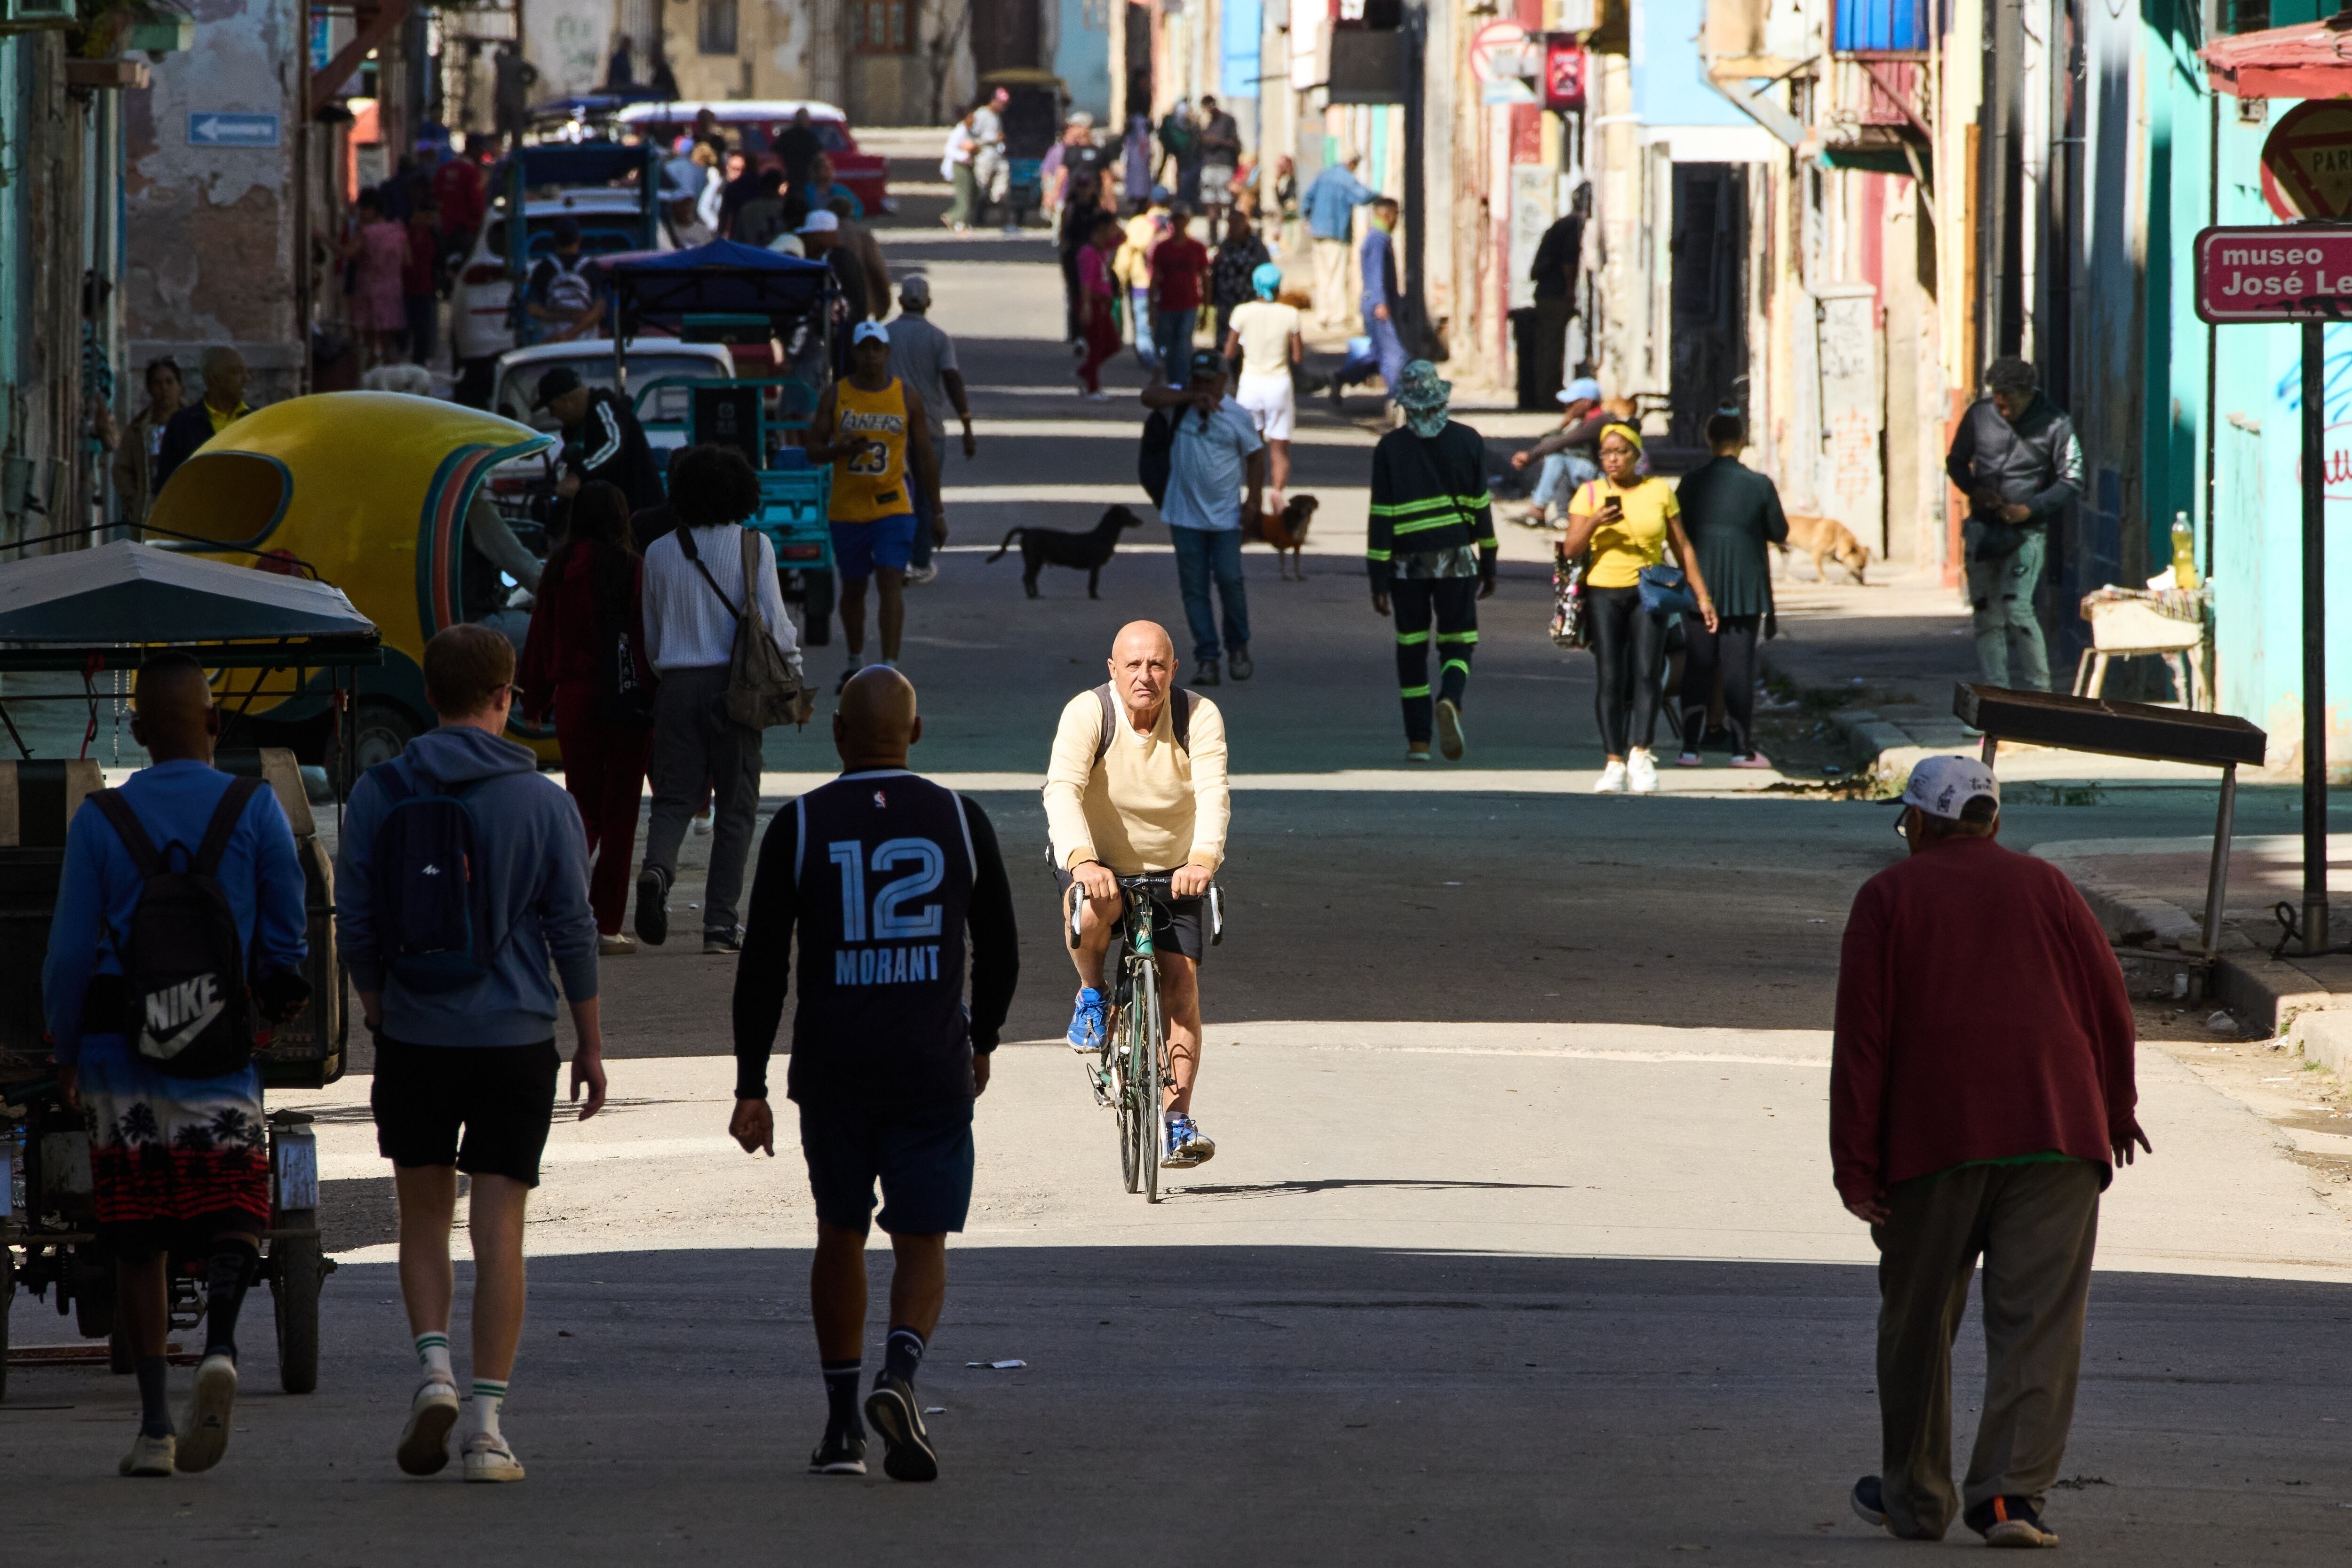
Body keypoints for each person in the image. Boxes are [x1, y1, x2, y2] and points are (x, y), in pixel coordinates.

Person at [1834, 756, 2148, 1549]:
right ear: (1993, 822)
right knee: (2038, 1324)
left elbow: (1863, 1042)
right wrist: (2116, 1106)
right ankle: (2010, 1497)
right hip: (2058, 1133)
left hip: (1934, 1142)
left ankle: (1916, 1498)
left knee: (1917, 1322)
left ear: (1917, 823)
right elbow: (2109, 999)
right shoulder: (2047, 886)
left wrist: (1856, 1163)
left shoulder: (1888, 897)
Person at [730, 666, 1018, 1481]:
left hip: (835, 1071)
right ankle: (900, 1373)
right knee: (921, 1237)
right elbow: (1001, 943)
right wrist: (984, 1035)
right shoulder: (960, 820)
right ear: (916, 734)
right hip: (931, 1066)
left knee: (841, 1232)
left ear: (839, 735)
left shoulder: (801, 824)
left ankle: (839, 1428)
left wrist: (751, 1084)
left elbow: (761, 968)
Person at [335, 624, 606, 1485]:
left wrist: (380, 1002)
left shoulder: (382, 790)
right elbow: (573, 928)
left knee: (421, 1217)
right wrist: (591, 1040)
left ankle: (433, 1369)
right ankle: (486, 1427)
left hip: (415, 1034)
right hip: (516, 1037)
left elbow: (359, 912)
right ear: (506, 696)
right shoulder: (542, 801)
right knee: (500, 1231)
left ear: (430, 695)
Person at [43, 652, 310, 1478]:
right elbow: (287, 941)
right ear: (214, 724)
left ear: (136, 732)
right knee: (232, 1203)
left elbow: (67, 955)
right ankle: (222, 1343)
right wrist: (266, 1009)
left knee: (137, 1235)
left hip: (121, 1055)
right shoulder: (256, 807)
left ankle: (156, 1425)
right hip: (220, 1045)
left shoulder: (98, 822)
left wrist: (65, 1052)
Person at [1045, 621, 1231, 1165]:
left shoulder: (1199, 716)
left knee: (1180, 987)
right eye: (1132, 666)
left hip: (1177, 869)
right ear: (1112, 671)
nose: (1144, 676)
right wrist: (1081, 859)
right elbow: (1061, 789)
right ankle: (1093, 995)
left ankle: (1176, 1121)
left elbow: (1214, 793)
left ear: (1173, 670)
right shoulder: (1088, 713)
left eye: (1156, 665)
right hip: (1098, 862)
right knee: (1095, 904)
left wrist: (1203, 860)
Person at [633, 446, 806, 954]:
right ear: (742, 493)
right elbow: (775, 626)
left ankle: (657, 871)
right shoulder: (756, 546)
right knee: (735, 809)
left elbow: (650, 635)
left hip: (677, 687)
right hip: (738, 691)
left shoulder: (660, 551)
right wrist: (793, 679)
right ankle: (718, 926)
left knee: (672, 800)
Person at [519, 482, 657, 954]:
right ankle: (603, 925)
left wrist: (533, 700)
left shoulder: (559, 568)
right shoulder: (632, 568)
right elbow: (643, 638)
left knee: (581, 805)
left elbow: (541, 634)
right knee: (620, 813)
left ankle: (555, 903)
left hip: (574, 699)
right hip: (626, 699)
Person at [1560, 422, 1717, 794]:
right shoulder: (1590, 493)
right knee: (1611, 677)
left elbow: (1683, 547)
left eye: (1621, 452)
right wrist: (1596, 521)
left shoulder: (1659, 491)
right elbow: (1569, 549)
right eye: (1606, 454)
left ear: (1637, 455)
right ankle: (1614, 761)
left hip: (1649, 592)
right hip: (1602, 592)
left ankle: (1641, 754)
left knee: (1648, 673)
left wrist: (1703, 596)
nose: (1613, 459)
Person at [1367, 362, 1496, 763]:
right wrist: (1489, 562)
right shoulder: (1469, 440)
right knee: (1459, 641)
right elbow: (1481, 508)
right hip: (1456, 559)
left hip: (1406, 566)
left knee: (1411, 648)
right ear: (1441, 398)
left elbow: (1382, 516)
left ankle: (1419, 741)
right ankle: (1452, 698)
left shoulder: (1390, 448)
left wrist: (1378, 577)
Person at [808, 323, 942, 685]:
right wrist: (841, 448)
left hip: (893, 506)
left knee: (890, 581)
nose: (871, 356)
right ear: (854, 352)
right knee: (853, 587)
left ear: (886, 353)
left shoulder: (905, 396)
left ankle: (889, 666)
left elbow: (924, 455)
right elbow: (813, 449)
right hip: (848, 509)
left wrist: (937, 510)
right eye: (864, 349)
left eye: (877, 349)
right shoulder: (837, 395)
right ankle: (855, 662)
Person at [1946, 356, 2083, 692]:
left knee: (2017, 609)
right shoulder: (1979, 416)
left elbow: (2073, 478)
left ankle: (2040, 694)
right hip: (1982, 527)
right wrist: (1976, 491)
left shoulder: (2056, 424)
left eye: (2009, 406)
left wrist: (2031, 508)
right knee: (1986, 614)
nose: (2003, 412)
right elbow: (1956, 461)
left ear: (2027, 394)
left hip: (2027, 533)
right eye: (1998, 404)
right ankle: (1997, 694)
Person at [1673, 413, 1788, 769]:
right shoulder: (1759, 484)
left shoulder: (1691, 482)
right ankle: (1741, 749)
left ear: (1709, 438)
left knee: (1698, 666)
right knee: (1738, 669)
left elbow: (1678, 529)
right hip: (1744, 588)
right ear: (1741, 440)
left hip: (1699, 586)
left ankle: (1690, 748)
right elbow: (1779, 531)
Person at [1142, 349, 1263, 686]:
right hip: (1184, 515)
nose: (1204, 386)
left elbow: (1255, 457)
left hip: (1225, 518)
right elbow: (1148, 396)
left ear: (1224, 381)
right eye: (1198, 379)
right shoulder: (1179, 406)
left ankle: (1238, 646)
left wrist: (1254, 500)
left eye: (1210, 381)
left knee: (1230, 579)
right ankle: (1207, 656)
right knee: (1194, 589)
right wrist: (1190, 396)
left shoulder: (1237, 415)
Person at [886, 275, 975, 581]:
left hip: (890, 427)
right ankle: (920, 561)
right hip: (931, 427)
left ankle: (895, 557)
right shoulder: (938, 338)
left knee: (893, 493)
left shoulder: (885, 336)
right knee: (925, 495)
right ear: (929, 303)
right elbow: (952, 379)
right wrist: (966, 422)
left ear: (900, 302)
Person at [1221, 262, 1303, 502]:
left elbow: (1229, 353)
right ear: (1278, 287)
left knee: (1251, 448)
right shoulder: (1291, 314)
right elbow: (1298, 357)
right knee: (1279, 450)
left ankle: (1253, 497)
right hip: (1279, 385)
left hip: (1251, 386)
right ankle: (1277, 495)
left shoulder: (1242, 312)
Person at [535, 367, 665, 512]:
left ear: (565, 400)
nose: (553, 415)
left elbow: (613, 444)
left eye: (552, 408)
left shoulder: (605, 408)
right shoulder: (575, 429)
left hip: (637, 510)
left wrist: (579, 475)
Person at [1508, 377, 1606, 526]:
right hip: (1589, 474)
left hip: (1604, 478)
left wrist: (1531, 456)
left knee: (1557, 459)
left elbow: (1564, 442)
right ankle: (1563, 516)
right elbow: (1549, 441)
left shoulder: (1600, 421)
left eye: (1571, 403)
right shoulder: (1585, 422)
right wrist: (1563, 426)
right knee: (1558, 463)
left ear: (1586, 402)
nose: (1567, 407)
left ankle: (1538, 508)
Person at [154, 347, 253, 489]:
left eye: (246, 372)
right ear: (214, 378)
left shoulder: (256, 419)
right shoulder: (182, 424)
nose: (246, 379)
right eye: (237, 372)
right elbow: (166, 485)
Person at [1303, 152, 1375, 331]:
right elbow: (1362, 196)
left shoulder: (1324, 175)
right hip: (1335, 233)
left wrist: (1308, 219)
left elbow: (1307, 199)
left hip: (1318, 232)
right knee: (1337, 276)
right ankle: (1336, 318)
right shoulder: (1345, 179)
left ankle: (1323, 316)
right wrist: (1380, 197)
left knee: (1322, 277)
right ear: (1351, 162)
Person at [1526, 196, 1585, 406]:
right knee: (1551, 346)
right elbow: (1568, 261)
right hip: (1555, 294)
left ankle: (1548, 393)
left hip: (1547, 293)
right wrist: (1570, 289)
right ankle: (1548, 396)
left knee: (1549, 345)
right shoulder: (1574, 225)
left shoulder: (1561, 224)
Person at [113, 356, 184, 527]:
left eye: (169, 382)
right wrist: (133, 501)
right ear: (150, 389)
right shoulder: (139, 430)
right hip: (150, 514)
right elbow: (122, 469)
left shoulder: (194, 424)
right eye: (157, 383)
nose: (164, 389)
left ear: (180, 386)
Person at [344, 189, 409, 367]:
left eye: (363, 210)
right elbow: (407, 260)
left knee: (369, 342)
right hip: (393, 289)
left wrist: (324, 238)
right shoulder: (397, 230)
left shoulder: (366, 233)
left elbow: (348, 253)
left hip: (369, 289)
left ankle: (371, 381)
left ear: (372, 209)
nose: (360, 214)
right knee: (388, 343)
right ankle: (391, 380)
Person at [1147, 204, 1208, 388]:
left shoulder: (1197, 248)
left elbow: (1205, 277)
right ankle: (1172, 380)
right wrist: (1151, 308)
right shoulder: (1162, 248)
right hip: (1167, 304)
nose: (1179, 223)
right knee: (1168, 345)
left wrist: (1206, 306)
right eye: (1176, 220)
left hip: (1189, 304)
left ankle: (1182, 382)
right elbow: (1155, 278)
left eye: (1183, 220)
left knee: (1184, 345)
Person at [1116, 188, 1171, 374]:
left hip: (1141, 284)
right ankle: (1164, 357)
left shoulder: (1138, 224)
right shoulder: (1176, 224)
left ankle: (1150, 360)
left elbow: (1125, 256)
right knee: (1165, 324)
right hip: (1168, 286)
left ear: (1150, 203)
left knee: (1143, 326)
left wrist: (1120, 279)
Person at [1361, 197, 1407, 406]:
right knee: (1395, 354)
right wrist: (1380, 301)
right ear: (1388, 215)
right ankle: (1396, 399)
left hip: (1375, 301)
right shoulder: (1378, 240)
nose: (1398, 220)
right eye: (1397, 215)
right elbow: (1375, 273)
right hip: (1377, 304)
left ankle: (1342, 378)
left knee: (1379, 353)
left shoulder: (1377, 237)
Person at [523, 216, 597, 343]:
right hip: (587, 346)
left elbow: (532, 309)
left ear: (555, 240)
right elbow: (599, 311)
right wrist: (571, 332)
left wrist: (561, 330)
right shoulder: (592, 268)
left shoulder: (544, 268)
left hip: (553, 342)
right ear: (579, 239)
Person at [1075, 211, 1124, 401]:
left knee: (1112, 344)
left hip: (1104, 302)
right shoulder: (1088, 253)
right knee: (1096, 345)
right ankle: (1093, 387)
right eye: (1110, 229)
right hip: (1093, 301)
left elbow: (1123, 238)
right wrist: (1086, 306)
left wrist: (1114, 223)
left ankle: (1086, 371)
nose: (1113, 232)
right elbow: (1086, 283)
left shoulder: (1102, 249)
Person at [1208, 205, 1270, 345]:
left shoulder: (1256, 246)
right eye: (1231, 223)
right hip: (1227, 304)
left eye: (1237, 223)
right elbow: (1216, 272)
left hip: (1249, 301)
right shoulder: (1225, 245)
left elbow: (1266, 272)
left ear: (1245, 224)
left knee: (1249, 341)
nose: (1234, 227)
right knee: (1225, 343)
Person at [403, 191, 441, 366]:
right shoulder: (404, 233)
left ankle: (420, 363)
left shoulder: (432, 235)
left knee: (423, 331)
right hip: (405, 287)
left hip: (425, 287)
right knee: (404, 329)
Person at [1196, 95, 1241, 242]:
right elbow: (1198, 143)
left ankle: (1231, 235)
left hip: (1225, 165)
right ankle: (1213, 238)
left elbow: (1235, 144)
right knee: (1210, 203)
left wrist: (1217, 141)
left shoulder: (1227, 121)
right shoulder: (1204, 122)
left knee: (1227, 202)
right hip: (1209, 166)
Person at [940, 108, 979, 233]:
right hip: (959, 166)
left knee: (972, 193)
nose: (974, 120)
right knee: (964, 197)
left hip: (967, 166)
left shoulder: (969, 132)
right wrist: (964, 155)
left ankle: (955, 217)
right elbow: (949, 149)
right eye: (972, 118)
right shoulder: (959, 132)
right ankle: (955, 220)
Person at [733, 167, 793, 248]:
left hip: (751, 254)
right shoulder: (787, 207)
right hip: (779, 256)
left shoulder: (748, 208)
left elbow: (738, 239)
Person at [1158, 99, 1202, 207]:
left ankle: (1183, 196)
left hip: (1179, 149)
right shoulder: (1181, 119)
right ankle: (1182, 197)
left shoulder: (1171, 119)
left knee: (1183, 173)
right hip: (1183, 149)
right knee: (1184, 173)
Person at [802, 152, 864, 220]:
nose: (830, 172)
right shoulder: (807, 191)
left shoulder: (841, 190)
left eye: (831, 168)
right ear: (817, 172)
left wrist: (852, 218)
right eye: (825, 169)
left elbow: (858, 207)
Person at [777, 106, 824, 190]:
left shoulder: (786, 136)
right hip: (807, 178)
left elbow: (775, 151)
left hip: (790, 178)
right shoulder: (810, 137)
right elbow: (820, 154)